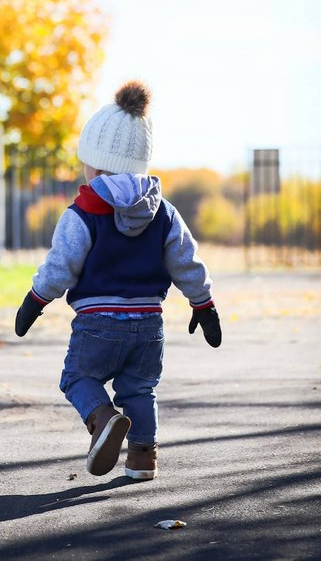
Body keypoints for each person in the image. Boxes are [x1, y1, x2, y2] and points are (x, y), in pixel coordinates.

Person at [15, 81, 222, 480]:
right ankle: (143, 459)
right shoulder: (163, 212)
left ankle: (102, 418)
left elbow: (61, 266)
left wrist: (35, 300)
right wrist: (203, 304)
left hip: (98, 323)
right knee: (140, 390)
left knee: (78, 377)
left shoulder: (83, 211)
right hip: (148, 324)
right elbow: (187, 262)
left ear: (95, 163)